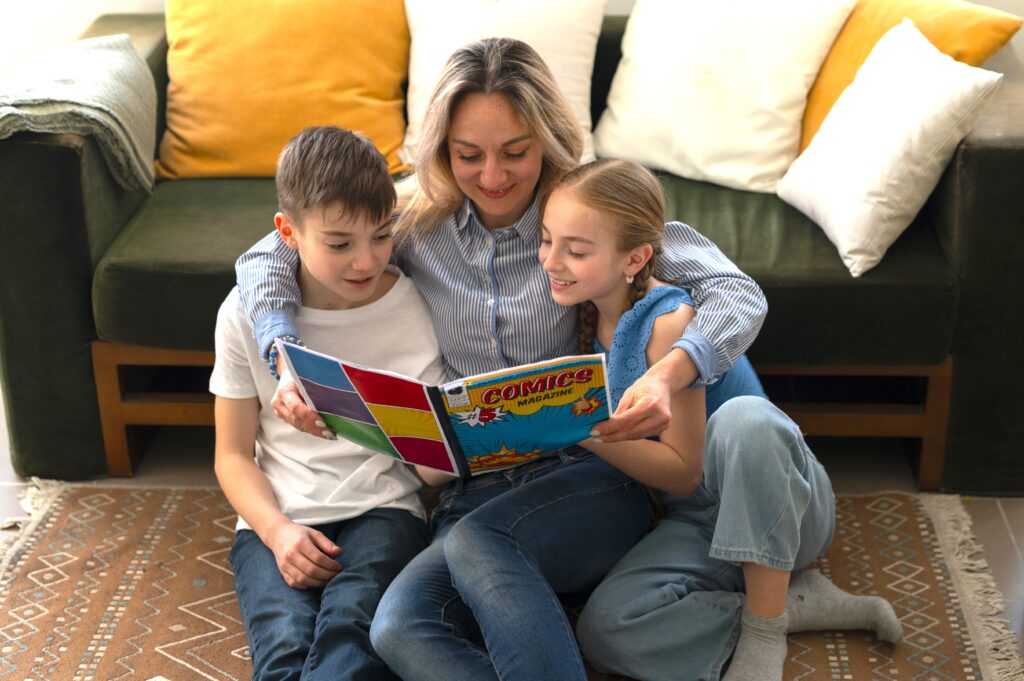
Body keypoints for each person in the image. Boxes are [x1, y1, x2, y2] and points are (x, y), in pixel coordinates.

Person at [234, 38, 767, 681]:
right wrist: (280, 353)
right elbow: (269, 253)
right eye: (468, 155)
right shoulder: (412, 225)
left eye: (515, 152)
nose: (492, 176)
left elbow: (736, 293)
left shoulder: (584, 218)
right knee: (399, 628)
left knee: (480, 544)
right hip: (474, 485)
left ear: (546, 139)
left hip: (588, 473)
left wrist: (665, 372)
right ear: (440, 151)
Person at [539, 158, 902, 681]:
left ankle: (764, 633)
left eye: (575, 250)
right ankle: (789, 606)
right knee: (606, 629)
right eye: (546, 240)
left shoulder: (669, 320)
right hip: (700, 523)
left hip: (782, 506)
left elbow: (684, 472)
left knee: (745, 419)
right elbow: (686, 495)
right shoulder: (583, 308)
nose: (552, 261)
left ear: (634, 258)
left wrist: (579, 429)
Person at [210, 126, 454, 681]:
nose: (365, 261)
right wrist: (275, 532)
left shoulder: (412, 308)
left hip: (385, 509)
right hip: (279, 516)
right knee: (283, 648)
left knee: (351, 629)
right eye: (340, 243)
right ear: (287, 232)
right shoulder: (243, 314)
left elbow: (426, 467)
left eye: (382, 235)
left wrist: (454, 449)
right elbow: (231, 455)